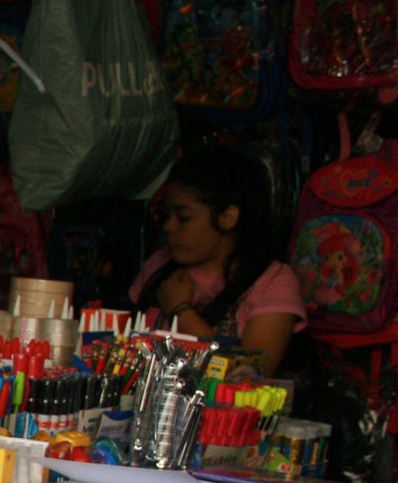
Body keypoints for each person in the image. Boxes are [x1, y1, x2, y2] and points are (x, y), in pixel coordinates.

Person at [128, 144, 305, 377]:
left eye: (183, 217)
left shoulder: (273, 281)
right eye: (166, 216)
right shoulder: (159, 265)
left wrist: (180, 311)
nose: (168, 226)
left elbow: (251, 375)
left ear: (227, 218)